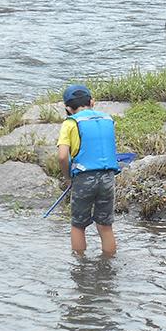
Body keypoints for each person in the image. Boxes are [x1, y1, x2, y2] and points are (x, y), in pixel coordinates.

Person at [56, 84, 119, 255]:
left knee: (78, 225)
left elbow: (62, 156)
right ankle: (108, 265)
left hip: (84, 178)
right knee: (105, 226)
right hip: (108, 177)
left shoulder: (70, 123)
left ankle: (79, 266)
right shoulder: (107, 119)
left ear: (68, 108)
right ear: (92, 102)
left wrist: (68, 177)